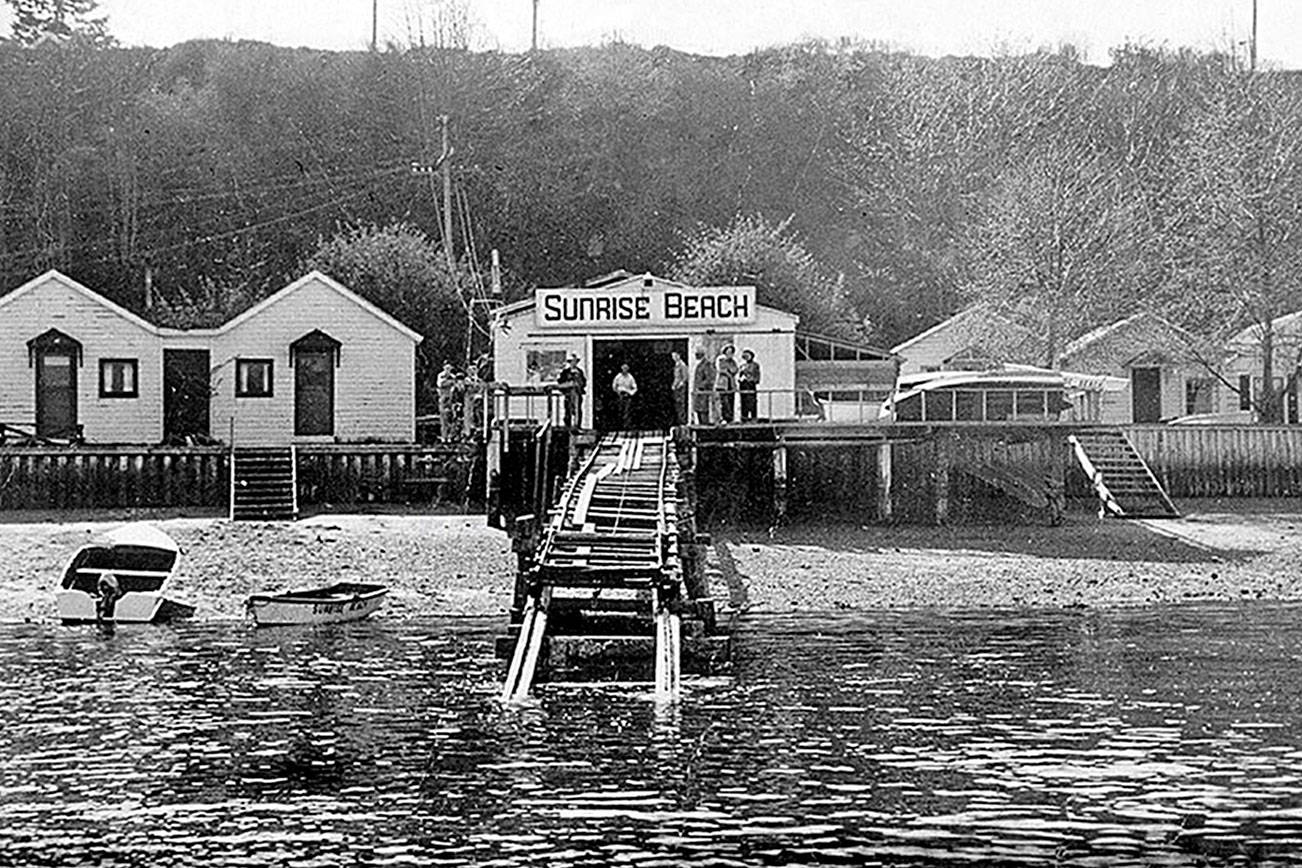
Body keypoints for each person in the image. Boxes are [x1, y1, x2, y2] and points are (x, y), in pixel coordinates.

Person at [557, 352, 587, 428]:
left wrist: (578, 383)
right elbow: (560, 382)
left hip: (577, 393)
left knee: (577, 410)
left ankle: (577, 425)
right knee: (568, 410)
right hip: (568, 394)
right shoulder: (565, 372)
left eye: (575, 361)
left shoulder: (579, 372)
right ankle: (568, 426)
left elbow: (583, 382)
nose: (573, 363)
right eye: (572, 361)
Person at [714, 345, 738, 424]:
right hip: (722, 384)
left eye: (731, 352)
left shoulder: (733, 361)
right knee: (724, 402)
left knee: (731, 401)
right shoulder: (721, 359)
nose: (729, 354)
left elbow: (735, 370)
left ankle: (730, 418)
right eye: (728, 352)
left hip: (730, 384)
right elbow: (721, 370)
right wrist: (728, 371)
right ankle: (723, 418)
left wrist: (729, 371)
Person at [692, 347, 715, 426]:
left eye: (697, 353)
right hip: (698, 393)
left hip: (704, 392)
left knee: (703, 412)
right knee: (698, 411)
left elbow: (710, 378)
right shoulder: (699, 364)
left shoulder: (707, 364)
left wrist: (701, 386)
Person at [436, 362, 458, 441]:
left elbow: (456, 385)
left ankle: (450, 436)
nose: (448, 370)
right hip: (443, 398)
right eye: (447, 368)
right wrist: (449, 382)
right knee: (443, 417)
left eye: (449, 368)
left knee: (452, 418)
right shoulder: (441, 376)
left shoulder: (453, 377)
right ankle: (444, 436)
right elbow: (440, 384)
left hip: (451, 399)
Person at [612, 363, 638, 429]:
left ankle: (626, 425)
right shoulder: (618, 377)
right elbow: (614, 385)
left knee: (627, 411)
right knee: (620, 410)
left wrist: (631, 393)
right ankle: (619, 425)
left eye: (626, 369)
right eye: (623, 369)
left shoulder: (630, 377)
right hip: (620, 395)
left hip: (627, 395)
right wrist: (617, 392)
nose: (625, 370)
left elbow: (635, 387)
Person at [738, 348, 761, 421]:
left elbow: (757, 376)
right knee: (743, 402)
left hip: (750, 385)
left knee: (752, 401)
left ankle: (753, 417)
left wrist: (751, 379)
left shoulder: (755, 365)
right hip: (743, 385)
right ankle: (744, 417)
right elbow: (740, 374)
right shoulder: (742, 365)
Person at [670, 351, 689, 427]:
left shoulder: (682, 365)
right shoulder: (676, 365)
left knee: (681, 404)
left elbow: (684, 377)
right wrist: (673, 385)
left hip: (680, 388)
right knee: (677, 404)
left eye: (675, 356)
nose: (673, 358)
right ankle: (679, 420)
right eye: (672, 356)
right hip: (676, 387)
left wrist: (680, 384)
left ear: (679, 355)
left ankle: (683, 421)